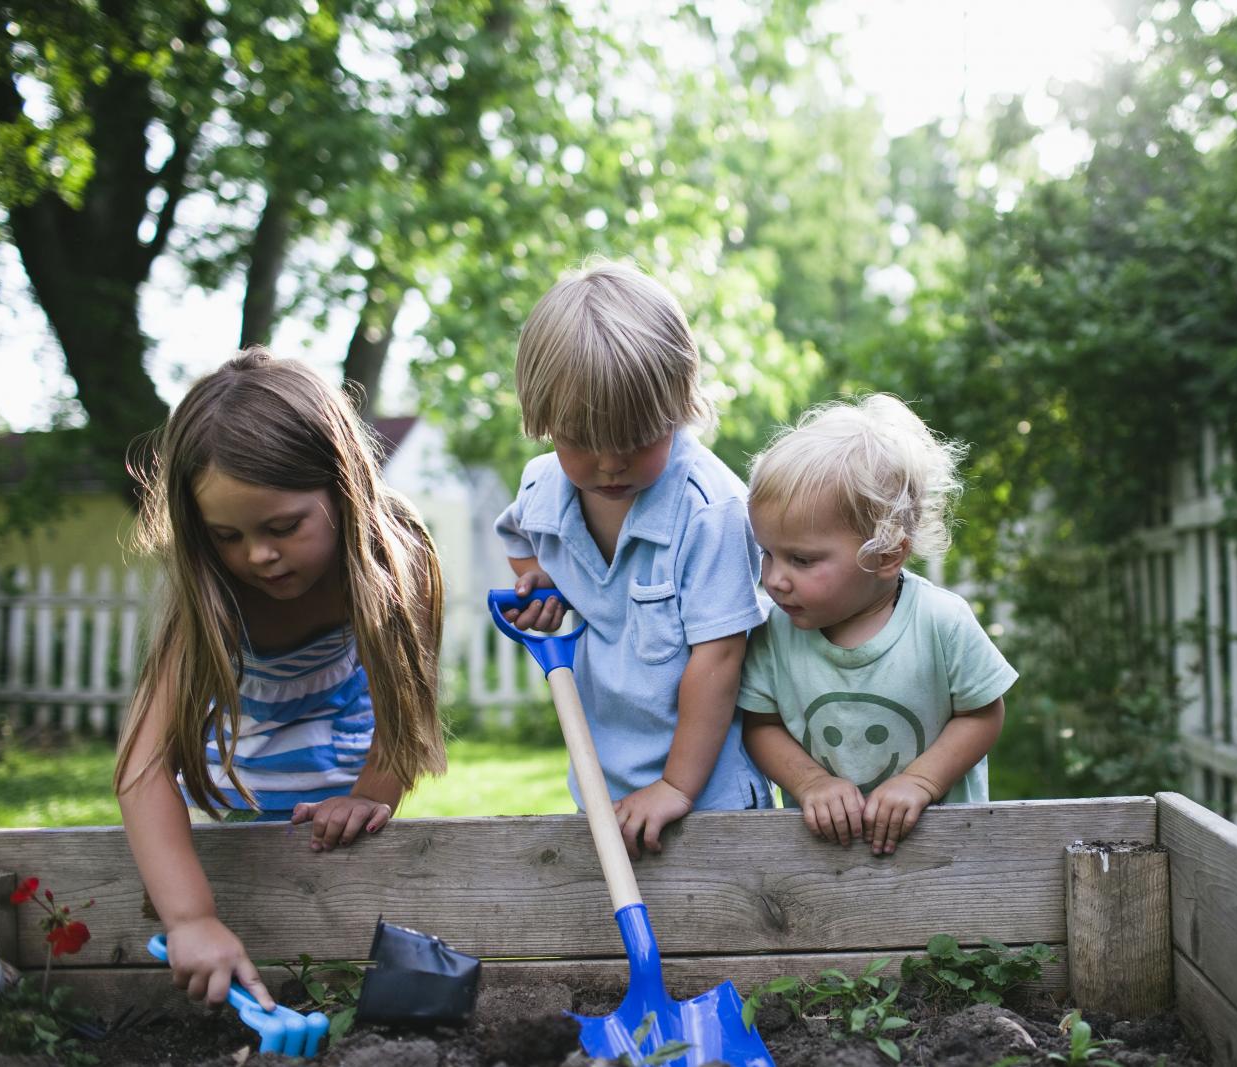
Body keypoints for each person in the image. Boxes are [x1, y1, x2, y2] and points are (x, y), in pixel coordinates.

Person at [114, 348, 446, 1009]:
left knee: (341, 979)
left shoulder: (394, 560)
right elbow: (143, 769)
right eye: (227, 535)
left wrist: (371, 793)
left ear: (341, 486)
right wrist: (190, 917)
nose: (257, 554)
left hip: (340, 806)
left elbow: (407, 712)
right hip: (232, 806)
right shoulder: (212, 593)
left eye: (282, 526)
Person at [495, 259, 772, 859]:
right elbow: (519, 538)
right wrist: (540, 582)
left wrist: (675, 786)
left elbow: (720, 656)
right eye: (583, 442)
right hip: (603, 780)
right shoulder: (542, 487)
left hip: (709, 795)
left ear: (678, 407)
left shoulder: (708, 510)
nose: (610, 463)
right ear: (545, 423)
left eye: (636, 439)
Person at [738, 394, 1017, 856]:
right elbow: (760, 724)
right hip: (822, 861)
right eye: (767, 553)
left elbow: (983, 712)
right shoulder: (776, 632)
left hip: (944, 856)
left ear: (887, 555)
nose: (774, 579)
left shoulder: (940, 623)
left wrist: (920, 782)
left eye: (802, 560)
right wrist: (811, 783)